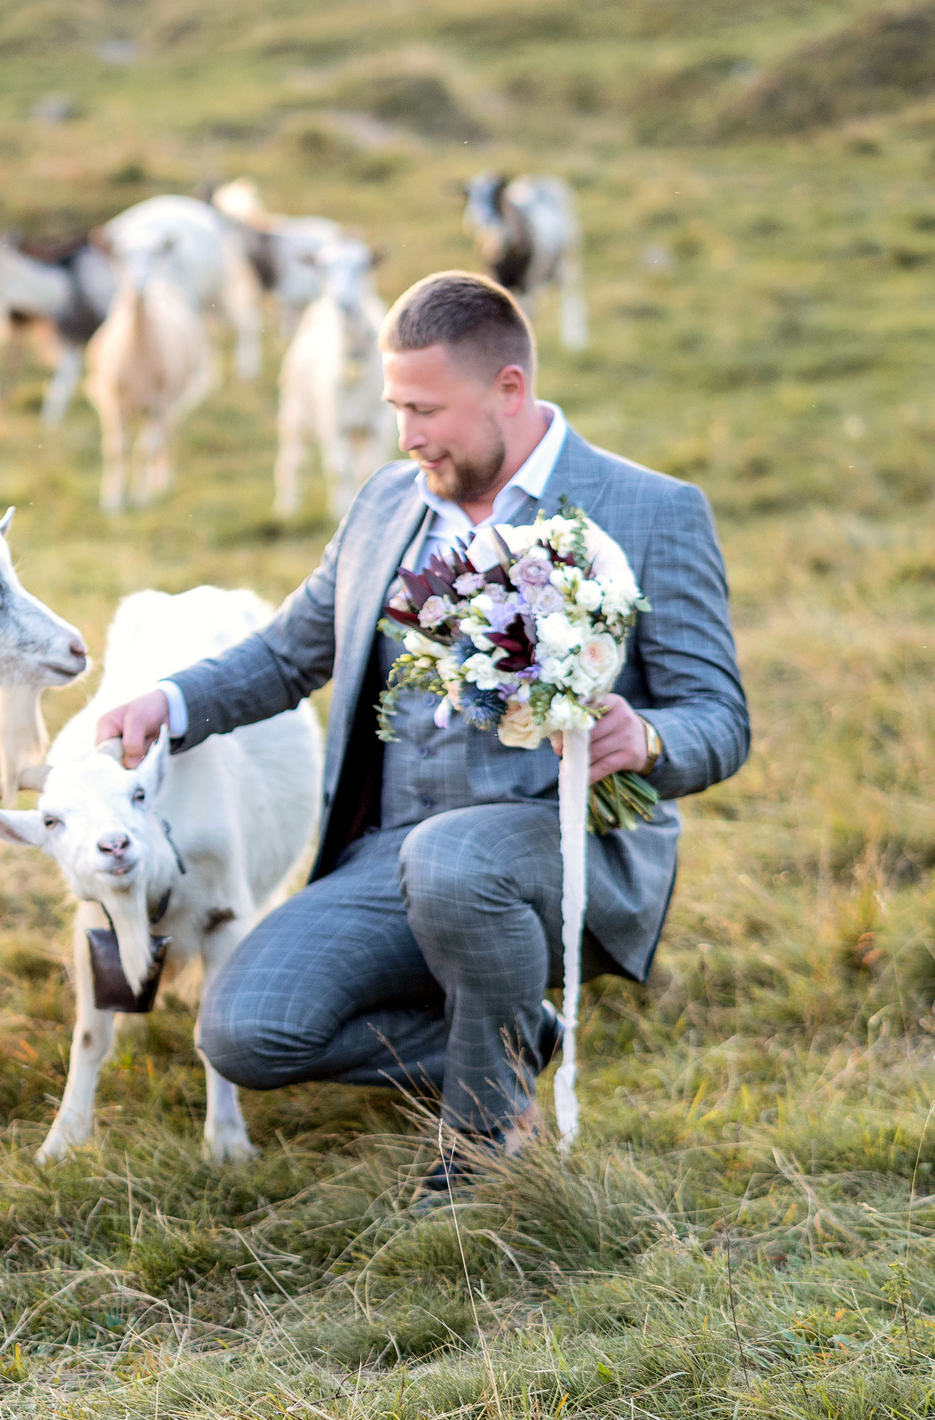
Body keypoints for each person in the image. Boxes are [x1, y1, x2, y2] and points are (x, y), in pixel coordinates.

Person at [97, 272, 749, 1188]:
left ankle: (481, 1148)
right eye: (395, 405)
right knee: (245, 1031)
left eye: (427, 409)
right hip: (389, 850)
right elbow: (290, 652)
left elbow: (721, 718)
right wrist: (167, 703)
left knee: (456, 860)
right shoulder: (387, 504)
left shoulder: (652, 510)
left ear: (509, 390)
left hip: (563, 848)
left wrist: (647, 739)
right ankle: (511, 1032)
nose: (406, 435)